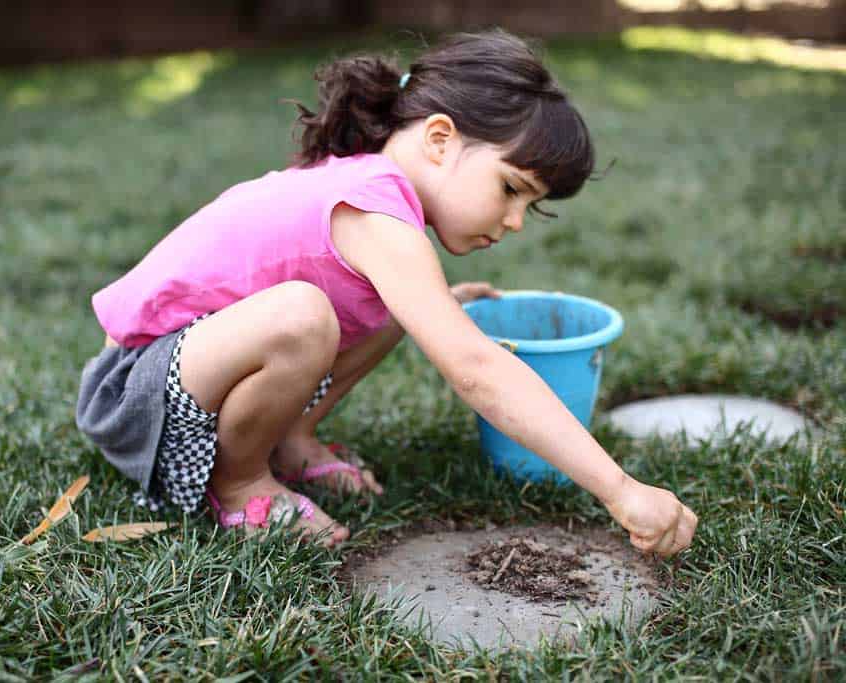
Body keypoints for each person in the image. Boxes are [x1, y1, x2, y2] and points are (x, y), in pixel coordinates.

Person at [76, 28, 698, 554]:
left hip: (185, 376)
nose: (514, 221)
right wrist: (619, 488)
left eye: (529, 207)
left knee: (401, 307)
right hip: (134, 397)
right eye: (511, 189)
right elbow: (477, 370)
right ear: (439, 139)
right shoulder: (373, 211)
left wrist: (440, 304)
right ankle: (240, 486)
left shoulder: (376, 191)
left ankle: (290, 439)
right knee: (303, 316)